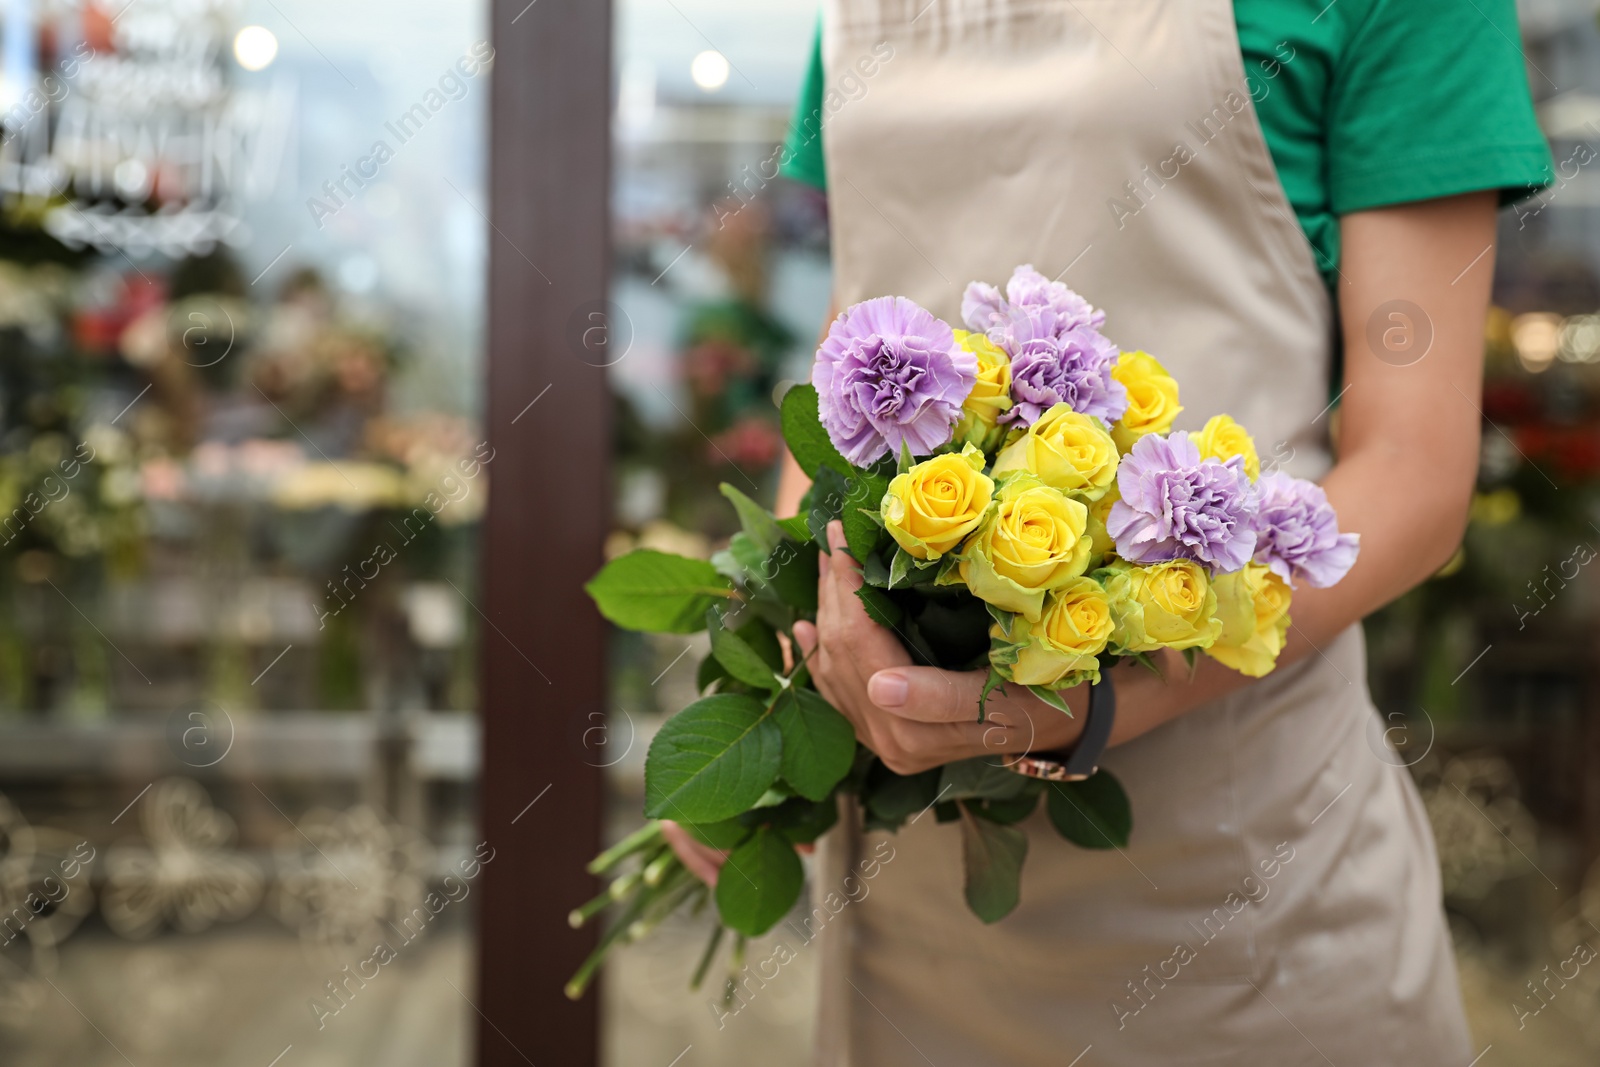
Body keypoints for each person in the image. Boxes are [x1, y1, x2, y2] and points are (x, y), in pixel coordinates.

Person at [665, 0, 1552, 1061]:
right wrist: (764, 696)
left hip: (1232, 879)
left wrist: (1095, 703)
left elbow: (1411, 470)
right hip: (914, 887)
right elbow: (852, 348)